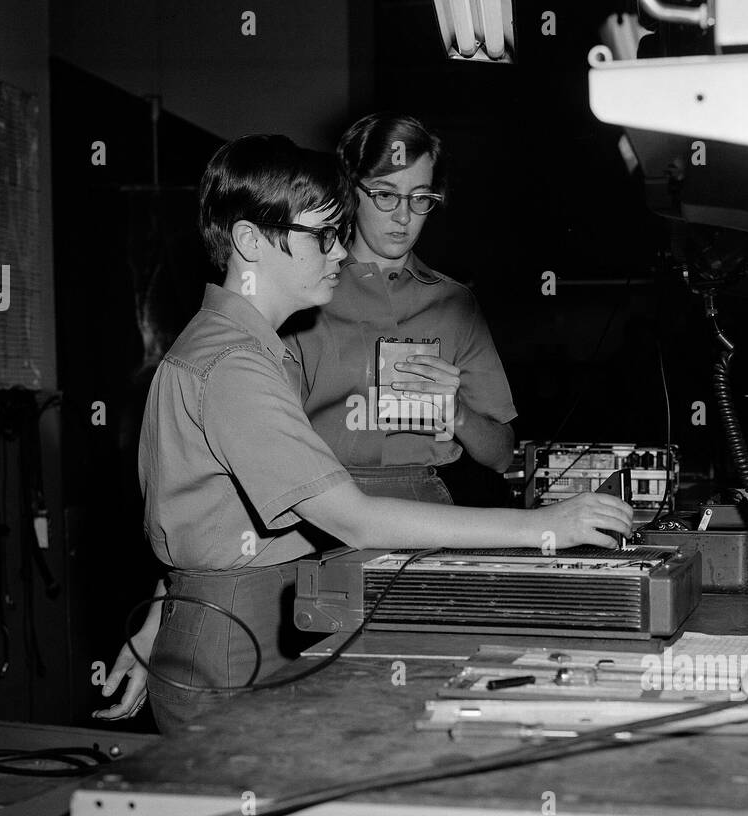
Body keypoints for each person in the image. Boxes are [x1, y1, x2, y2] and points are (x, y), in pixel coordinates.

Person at [95, 134, 631, 732]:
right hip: (240, 634)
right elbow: (351, 519)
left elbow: (205, 514)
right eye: (322, 236)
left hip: (244, 615)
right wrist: (546, 526)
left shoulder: (230, 347)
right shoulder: (236, 366)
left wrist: (171, 615)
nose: (338, 253)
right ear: (250, 241)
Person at [285, 112, 516, 505]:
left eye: (421, 197)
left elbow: (501, 456)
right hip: (325, 501)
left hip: (432, 505)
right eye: (386, 194)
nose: (404, 216)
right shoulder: (302, 298)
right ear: (349, 190)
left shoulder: (455, 304)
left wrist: (456, 412)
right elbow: (272, 445)